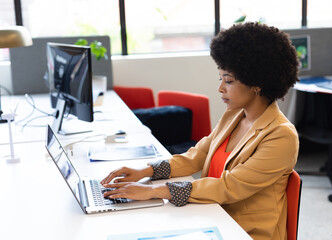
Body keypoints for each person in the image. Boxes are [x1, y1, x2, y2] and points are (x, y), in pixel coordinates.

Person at [101, 22, 299, 240]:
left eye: (229, 80)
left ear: (257, 84)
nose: (220, 88)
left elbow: (229, 186)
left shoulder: (281, 136)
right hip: (211, 215)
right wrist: (145, 171)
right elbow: (197, 156)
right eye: (220, 78)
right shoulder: (234, 115)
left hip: (243, 231)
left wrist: (154, 192)